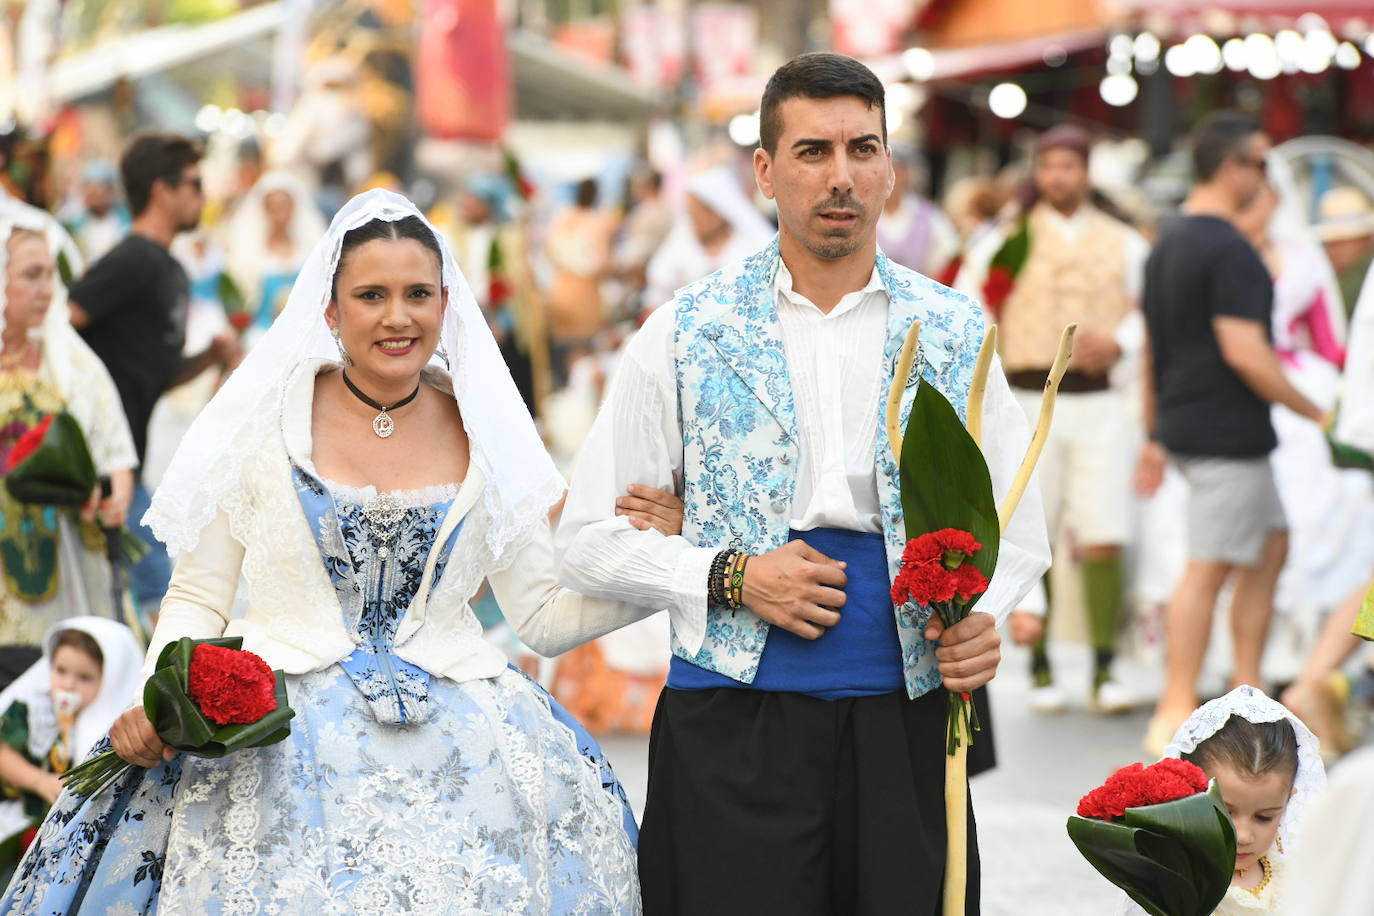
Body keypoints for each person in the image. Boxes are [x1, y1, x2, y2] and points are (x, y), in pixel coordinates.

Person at [0, 190, 684, 913]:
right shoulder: (264, 427)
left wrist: (657, 561)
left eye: (418, 293)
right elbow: (198, 595)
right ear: (330, 312)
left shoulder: (488, 433)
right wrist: (158, 696)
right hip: (278, 742)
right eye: (371, 295)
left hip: (468, 745)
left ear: (446, 305)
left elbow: (541, 615)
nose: (398, 316)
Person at [557, 52, 1050, 913]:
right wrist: (730, 573)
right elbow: (585, 541)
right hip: (732, 727)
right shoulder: (685, 331)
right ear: (765, 170)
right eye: (813, 152)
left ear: (892, 168)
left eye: (864, 149)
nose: (841, 178)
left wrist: (987, 616)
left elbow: (1017, 520)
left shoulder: (954, 328)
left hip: (907, 718)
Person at [1136, 112, 1328, 757]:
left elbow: (1153, 351)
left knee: (1271, 544)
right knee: (1208, 568)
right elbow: (1245, 351)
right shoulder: (1227, 249)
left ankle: (1248, 692)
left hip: (1203, 425)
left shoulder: (1172, 239)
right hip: (1222, 431)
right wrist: (1319, 413)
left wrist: (1155, 431)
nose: (1269, 179)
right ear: (1232, 168)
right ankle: (1176, 701)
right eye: (1261, 164)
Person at [958, 126, 1149, 714]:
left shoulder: (1125, 242)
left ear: (1087, 172)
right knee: (1031, 523)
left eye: (1070, 166)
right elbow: (972, 305)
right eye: (1050, 167)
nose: (1058, 177)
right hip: (1024, 401)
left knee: (1103, 530)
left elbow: (1149, 310)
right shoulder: (1006, 240)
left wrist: (1119, 344)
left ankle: (1103, 668)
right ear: (1037, 173)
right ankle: (1039, 668)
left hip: (1100, 402)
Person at [66, 134, 239, 620]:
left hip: (131, 460)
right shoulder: (133, 260)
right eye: (194, 183)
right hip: (99, 465)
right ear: (162, 189)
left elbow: (156, 374)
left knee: (143, 602)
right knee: (164, 602)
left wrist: (210, 356)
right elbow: (61, 325)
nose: (202, 196)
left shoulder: (169, 270)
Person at [0, 211, 138, 646]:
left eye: (50, 275)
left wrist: (113, 501)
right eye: (31, 275)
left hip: (69, 554)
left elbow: (114, 452)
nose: (47, 290)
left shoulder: (72, 362)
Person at [1120, 685, 1325, 915]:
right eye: (1225, 812)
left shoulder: (1291, 878)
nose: (1244, 836)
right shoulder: (1177, 880)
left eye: (1264, 817)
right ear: (1189, 793)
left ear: (1289, 800)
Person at [0, 618, 142, 879]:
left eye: (84, 678)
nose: (67, 685)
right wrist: (38, 780)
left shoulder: (113, 727)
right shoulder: (36, 708)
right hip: (23, 825)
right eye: (60, 670)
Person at [643, 165, 776, 315]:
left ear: (718, 211)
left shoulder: (751, 246)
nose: (694, 219)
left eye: (700, 211)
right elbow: (657, 296)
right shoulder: (681, 245)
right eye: (691, 211)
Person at [224, 170, 326, 347]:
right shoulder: (251, 256)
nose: (280, 214)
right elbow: (243, 303)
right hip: (263, 337)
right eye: (273, 207)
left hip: (307, 337)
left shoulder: (310, 249)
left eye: (285, 206)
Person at [546, 178, 615, 384]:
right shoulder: (600, 221)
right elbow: (602, 263)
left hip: (560, 290)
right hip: (586, 294)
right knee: (583, 354)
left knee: (563, 354)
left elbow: (550, 253)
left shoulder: (561, 219)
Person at [876, 144, 959, 278]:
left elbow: (948, 259)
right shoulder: (864, 214)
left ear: (908, 175)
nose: (890, 177)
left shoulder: (929, 216)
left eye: (897, 170)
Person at [1313, 186, 1374, 317]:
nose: (1331, 250)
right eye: (1328, 243)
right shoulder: (1336, 276)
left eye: (1340, 242)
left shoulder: (1361, 277)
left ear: (1364, 239)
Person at [61, 161, 129, 265]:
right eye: (88, 191)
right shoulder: (75, 226)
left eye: (97, 191)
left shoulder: (126, 225)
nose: (92, 195)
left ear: (110, 192)